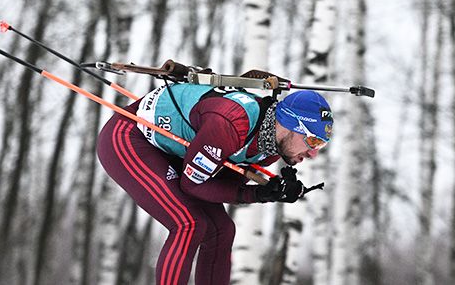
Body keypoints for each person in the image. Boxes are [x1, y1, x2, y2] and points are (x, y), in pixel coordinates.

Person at [97, 81, 333, 285]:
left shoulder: (271, 149)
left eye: (320, 145)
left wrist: (273, 191)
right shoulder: (232, 124)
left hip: (175, 152)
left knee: (221, 231)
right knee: (188, 224)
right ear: (290, 124)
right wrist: (257, 194)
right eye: (312, 141)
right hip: (130, 137)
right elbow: (193, 185)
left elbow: (224, 182)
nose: (313, 154)